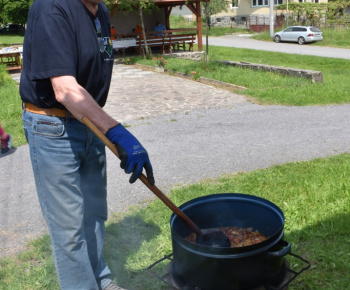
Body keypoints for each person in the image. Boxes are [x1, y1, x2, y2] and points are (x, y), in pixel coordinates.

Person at [19, 0, 154, 289]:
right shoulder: (51, 7)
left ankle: (102, 280)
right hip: (51, 128)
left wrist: (103, 127)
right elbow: (64, 88)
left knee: (94, 213)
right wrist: (117, 132)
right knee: (68, 229)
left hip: (89, 123)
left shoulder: (100, 11)